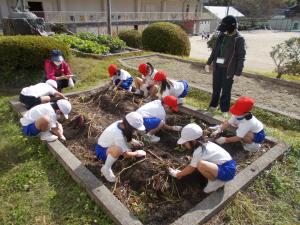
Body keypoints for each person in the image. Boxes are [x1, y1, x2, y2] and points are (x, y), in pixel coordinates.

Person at [168, 123, 236, 193]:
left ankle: (216, 182)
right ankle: (218, 179)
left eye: (185, 143)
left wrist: (177, 174)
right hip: (228, 166)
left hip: (227, 171)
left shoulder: (199, 151)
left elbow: (191, 169)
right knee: (199, 164)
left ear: (192, 141)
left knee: (201, 165)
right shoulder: (206, 143)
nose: (184, 145)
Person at [205, 15, 246, 118]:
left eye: (226, 29)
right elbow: (215, 51)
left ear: (233, 27)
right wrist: (208, 63)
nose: (224, 31)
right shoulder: (222, 35)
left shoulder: (239, 39)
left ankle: (224, 109)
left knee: (226, 91)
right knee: (216, 88)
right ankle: (213, 105)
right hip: (218, 67)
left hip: (229, 70)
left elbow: (241, 57)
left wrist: (237, 73)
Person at [96, 112, 147, 182]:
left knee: (123, 148)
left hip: (107, 146)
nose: (135, 131)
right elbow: (126, 154)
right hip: (102, 151)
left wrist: (133, 141)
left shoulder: (121, 123)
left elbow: (124, 134)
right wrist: (137, 153)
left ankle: (111, 160)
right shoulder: (118, 135)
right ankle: (106, 168)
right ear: (130, 127)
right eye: (135, 129)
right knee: (118, 150)